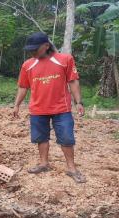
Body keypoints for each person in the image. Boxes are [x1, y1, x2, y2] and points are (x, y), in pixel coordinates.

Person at [12, 32, 87, 183]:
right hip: (38, 109)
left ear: (46, 46)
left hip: (62, 108)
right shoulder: (27, 65)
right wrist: (16, 105)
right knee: (41, 137)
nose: (32, 51)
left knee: (66, 138)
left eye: (35, 48)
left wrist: (78, 102)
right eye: (30, 49)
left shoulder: (65, 60)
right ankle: (43, 163)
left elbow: (73, 81)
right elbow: (23, 86)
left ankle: (71, 168)